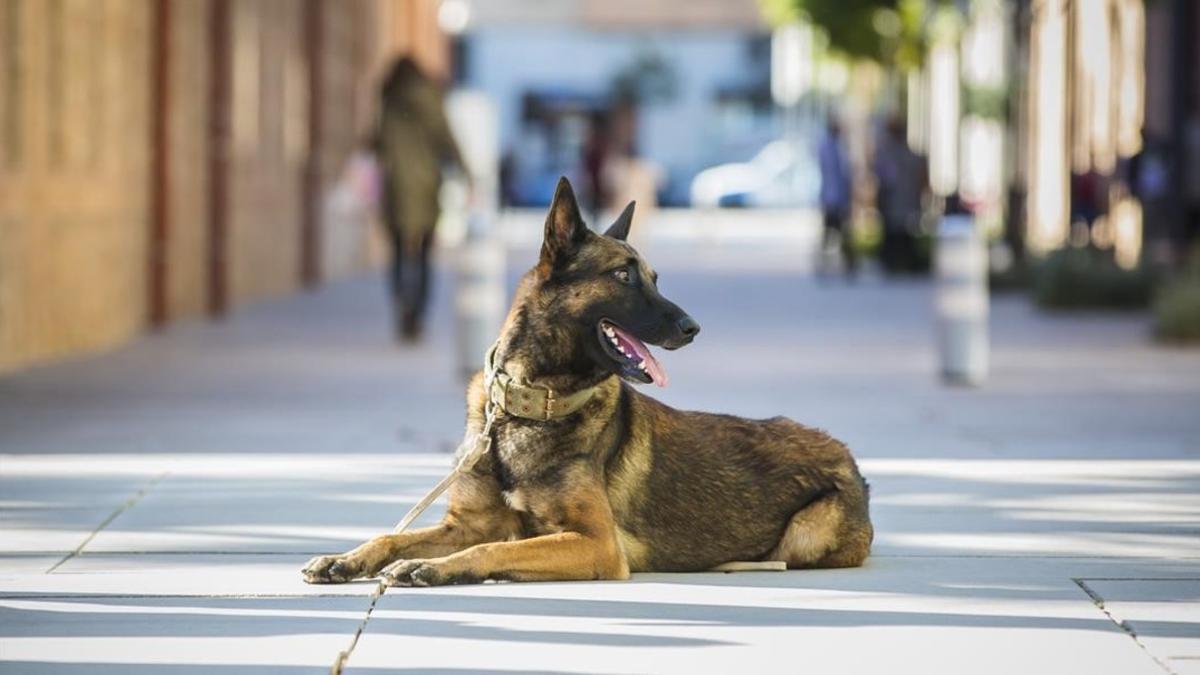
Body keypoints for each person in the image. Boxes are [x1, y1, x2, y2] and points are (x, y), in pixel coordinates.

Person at [374, 56, 465, 342]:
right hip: (426, 186)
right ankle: (418, 314)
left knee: (399, 251)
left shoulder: (389, 101)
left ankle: (403, 305)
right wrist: (466, 171)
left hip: (396, 185)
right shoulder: (430, 98)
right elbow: (446, 138)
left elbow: (379, 141)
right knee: (424, 253)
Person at [873, 116, 926, 274]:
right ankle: (893, 261)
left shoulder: (901, 153)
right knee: (893, 234)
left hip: (902, 201)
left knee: (903, 234)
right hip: (893, 202)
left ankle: (904, 261)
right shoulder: (886, 152)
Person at [817, 117, 856, 277]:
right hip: (832, 198)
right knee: (832, 233)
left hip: (837, 198)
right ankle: (827, 263)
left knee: (841, 233)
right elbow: (837, 173)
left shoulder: (837, 146)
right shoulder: (829, 147)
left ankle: (846, 264)